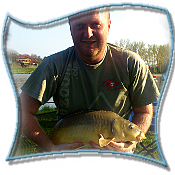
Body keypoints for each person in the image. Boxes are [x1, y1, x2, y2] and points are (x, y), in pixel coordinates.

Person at [19, 7, 159, 152]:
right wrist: (51, 148)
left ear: (108, 26)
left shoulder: (132, 64)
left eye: (96, 24)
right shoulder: (53, 65)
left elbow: (144, 112)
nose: (88, 33)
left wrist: (131, 142)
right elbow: (22, 111)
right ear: (70, 29)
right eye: (79, 25)